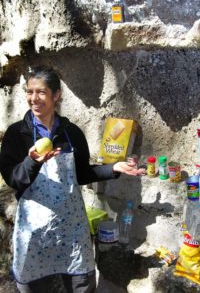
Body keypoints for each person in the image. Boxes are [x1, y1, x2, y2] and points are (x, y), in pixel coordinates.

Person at [0, 65, 145, 293]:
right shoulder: (17, 134)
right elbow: (14, 179)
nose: (33, 98)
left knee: (81, 286)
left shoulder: (72, 133)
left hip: (72, 229)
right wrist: (33, 161)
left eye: (41, 92)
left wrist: (113, 167)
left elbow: (82, 174)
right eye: (29, 92)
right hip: (34, 231)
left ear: (56, 95)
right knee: (34, 287)